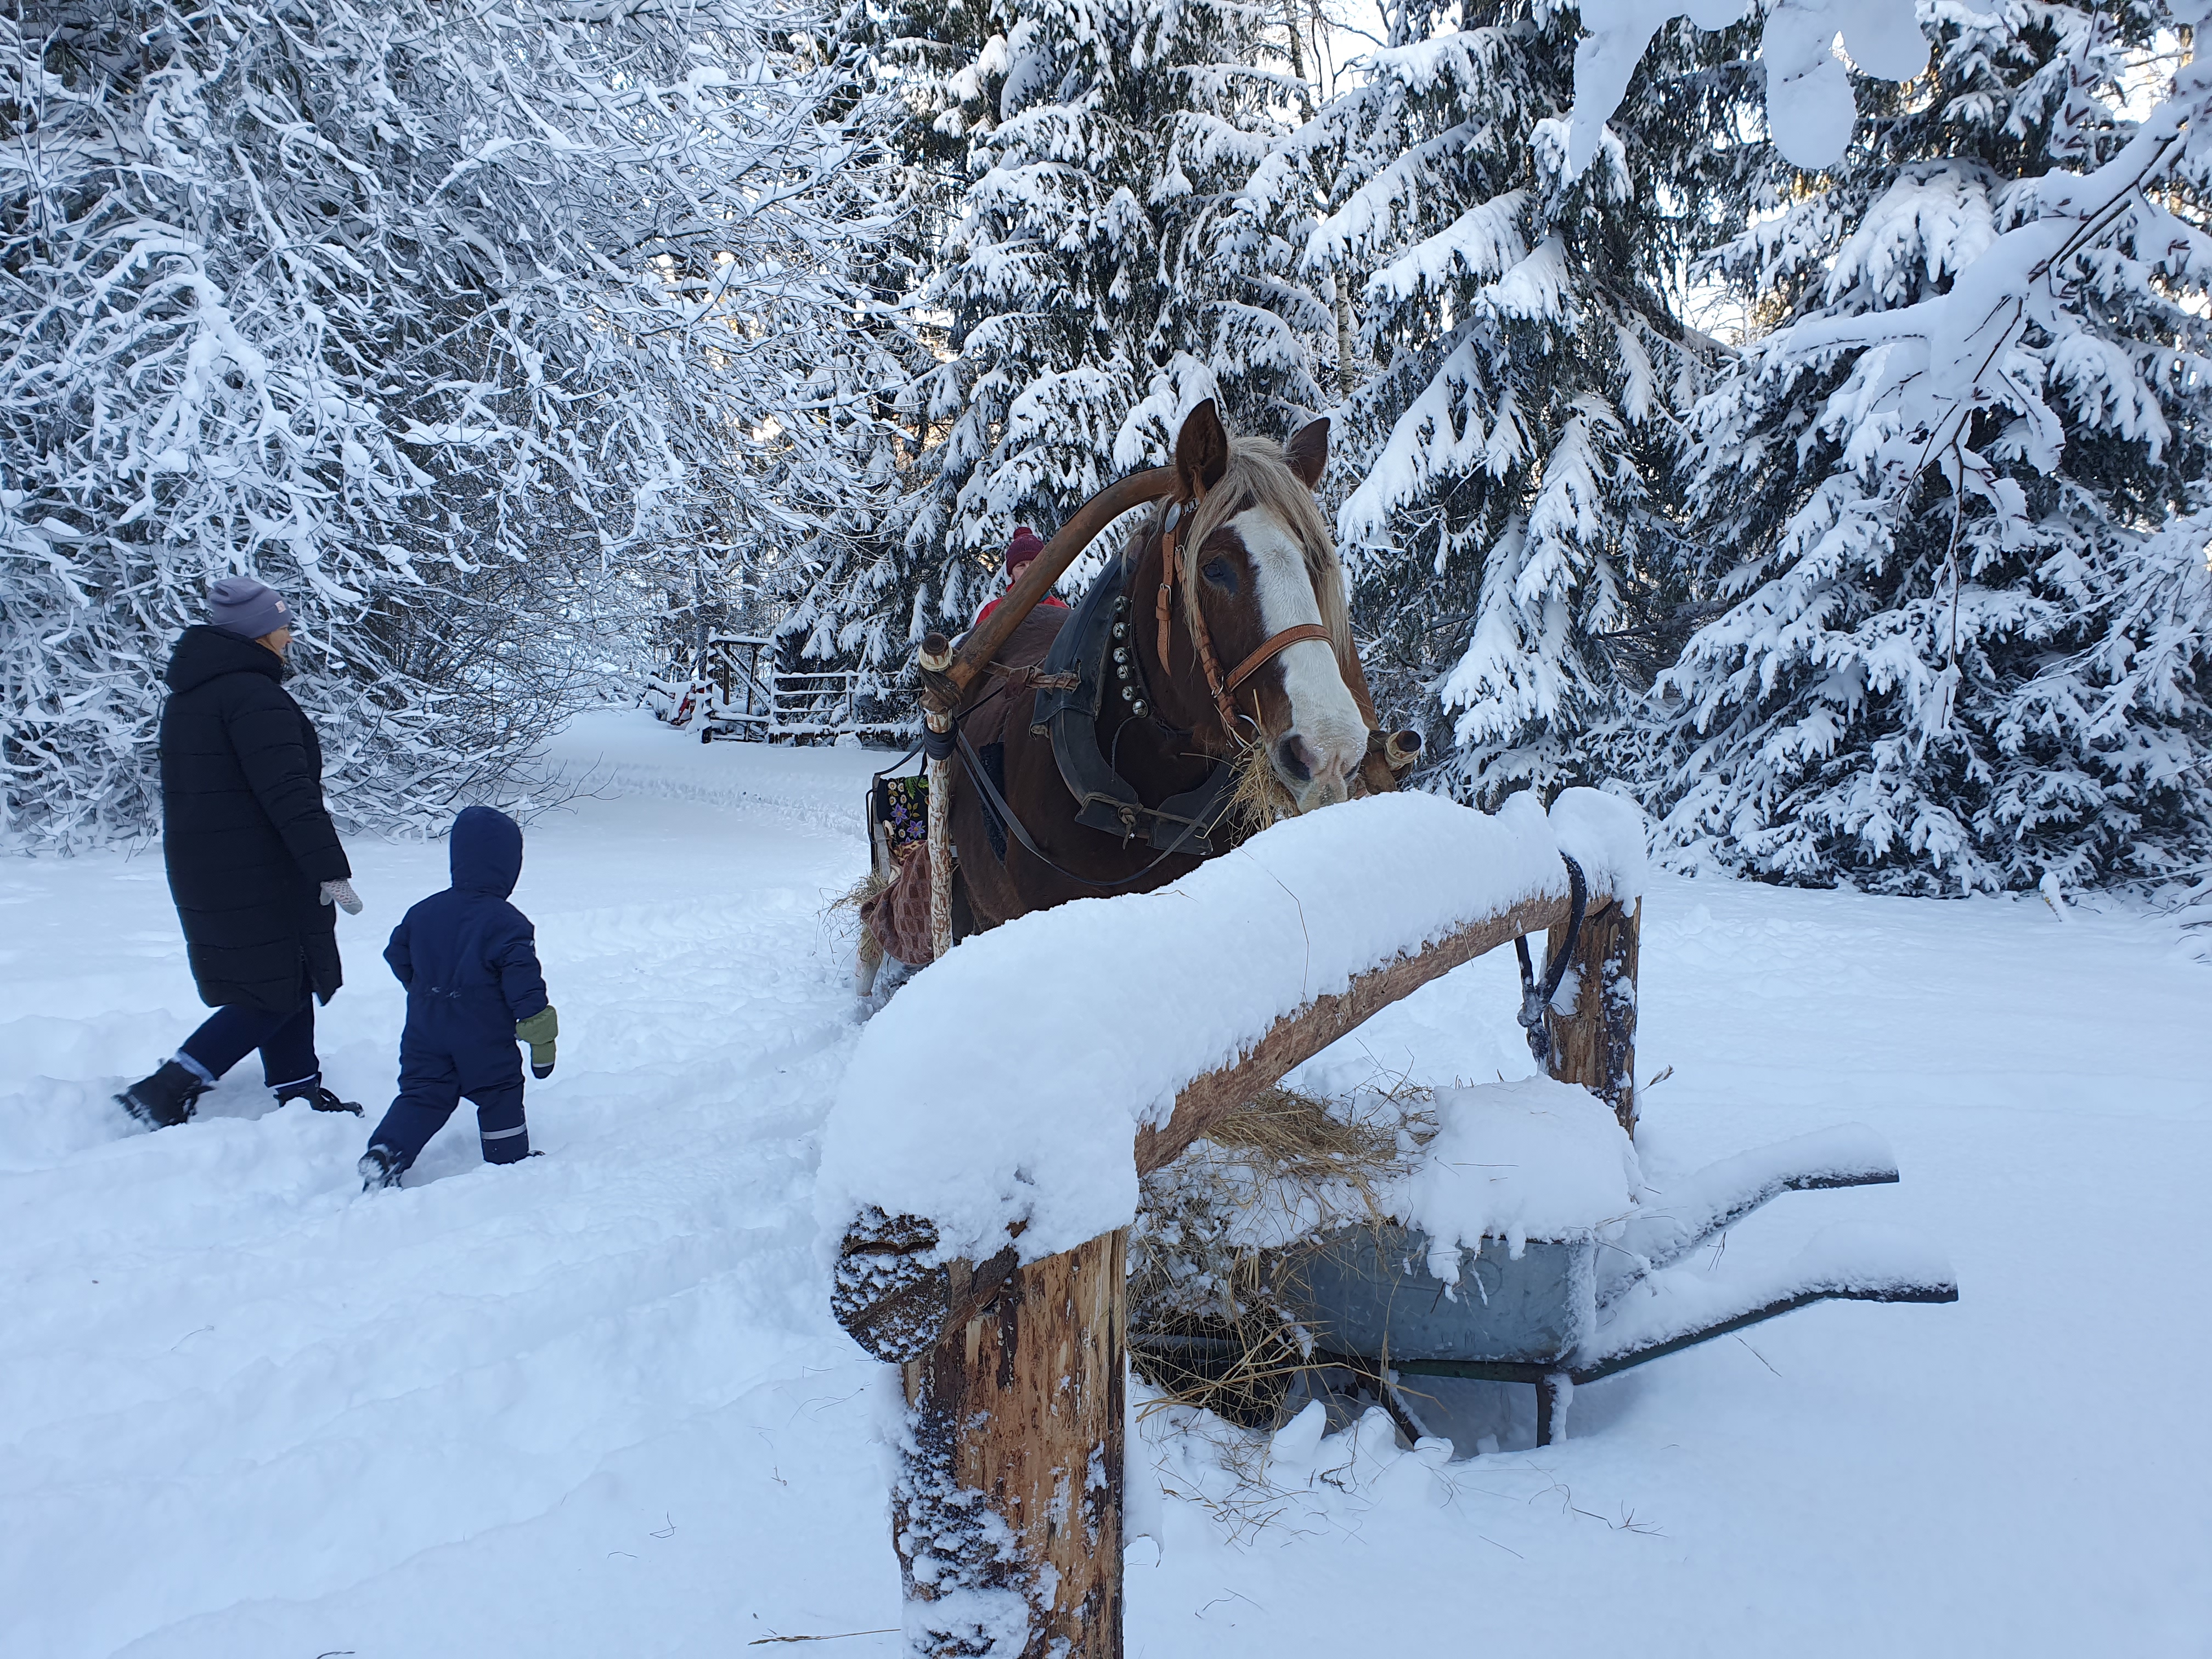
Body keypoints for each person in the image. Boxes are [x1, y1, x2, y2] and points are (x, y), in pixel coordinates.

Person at [118, 577, 365, 1129]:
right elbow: (291, 798)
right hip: (260, 870)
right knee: (270, 989)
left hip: (211, 865)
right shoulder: (254, 699)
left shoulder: (193, 695)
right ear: (258, 633)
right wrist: (333, 874)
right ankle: (170, 1086)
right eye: (281, 624)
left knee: (288, 973)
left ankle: (299, 1092)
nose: (289, 633)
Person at [358, 805, 558, 1190]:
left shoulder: (423, 912)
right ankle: (507, 1158)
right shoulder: (508, 922)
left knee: (423, 1093)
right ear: (508, 867)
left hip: (424, 1031)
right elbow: (525, 987)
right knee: (498, 1091)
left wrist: (422, 987)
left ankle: (386, 1151)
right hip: (483, 1036)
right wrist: (542, 1041)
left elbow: (396, 954)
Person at [973, 526, 1070, 625]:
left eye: (1034, 564)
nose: (1028, 570)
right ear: (1011, 575)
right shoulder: (991, 612)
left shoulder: (1060, 611)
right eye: (1021, 566)